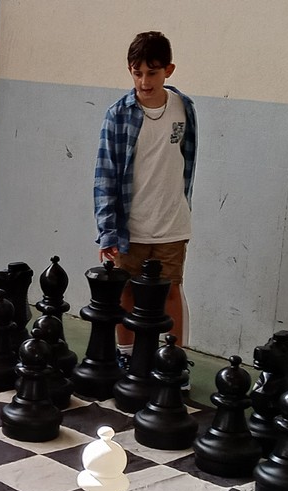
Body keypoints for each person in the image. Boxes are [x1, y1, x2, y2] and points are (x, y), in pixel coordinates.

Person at [93, 31, 198, 369]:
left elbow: (186, 162)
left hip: (172, 223)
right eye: (137, 73)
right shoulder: (117, 114)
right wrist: (108, 231)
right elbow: (105, 176)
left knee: (171, 290)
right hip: (130, 226)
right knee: (126, 290)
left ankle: (173, 360)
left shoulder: (184, 108)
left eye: (152, 73)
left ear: (169, 70)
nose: (143, 81)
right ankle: (126, 355)